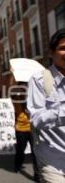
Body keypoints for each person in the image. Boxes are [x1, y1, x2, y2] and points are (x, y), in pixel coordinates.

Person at [27, 28, 65, 183]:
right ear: (51, 53)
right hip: (53, 163)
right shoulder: (40, 80)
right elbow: (36, 118)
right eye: (63, 48)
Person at [11, 83, 39, 181]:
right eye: (22, 87)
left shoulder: (33, 98)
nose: (24, 89)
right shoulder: (16, 97)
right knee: (20, 150)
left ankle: (37, 174)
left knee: (35, 152)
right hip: (21, 129)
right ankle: (17, 166)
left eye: (26, 87)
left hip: (32, 129)